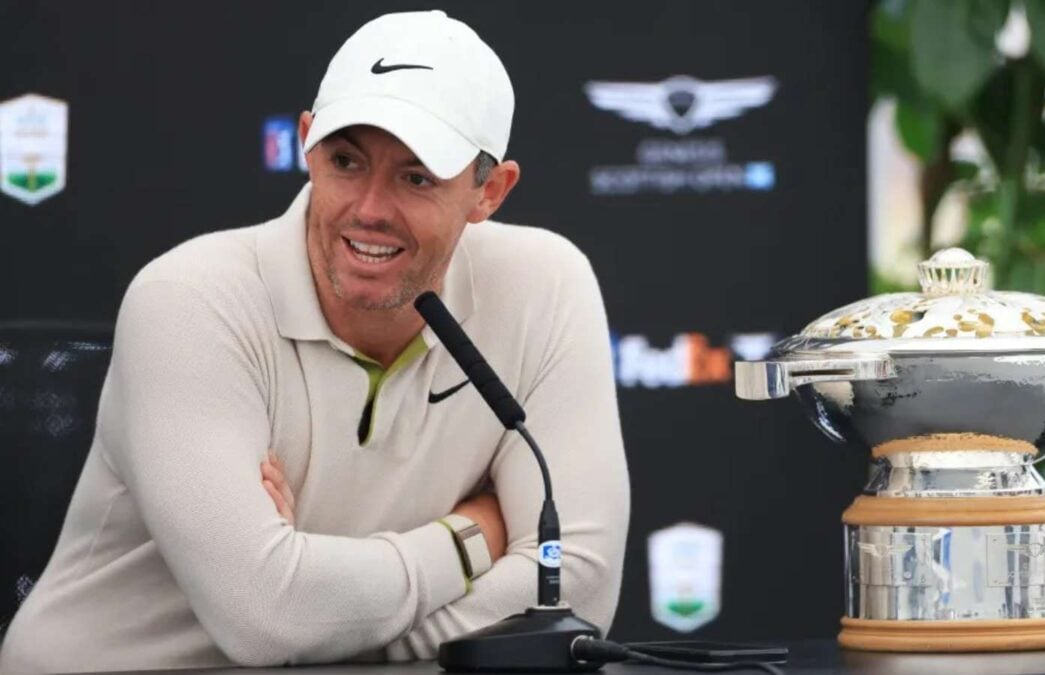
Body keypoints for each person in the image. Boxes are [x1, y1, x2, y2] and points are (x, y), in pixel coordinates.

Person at [0, 10, 629, 673]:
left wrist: (330, 624)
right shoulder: (189, 298)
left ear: (489, 192)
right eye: (346, 161)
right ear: (306, 144)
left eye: (416, 177)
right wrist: (472, 537)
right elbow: (265, 613)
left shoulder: (544, 285)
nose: (369, 208)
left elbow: (575, 585)